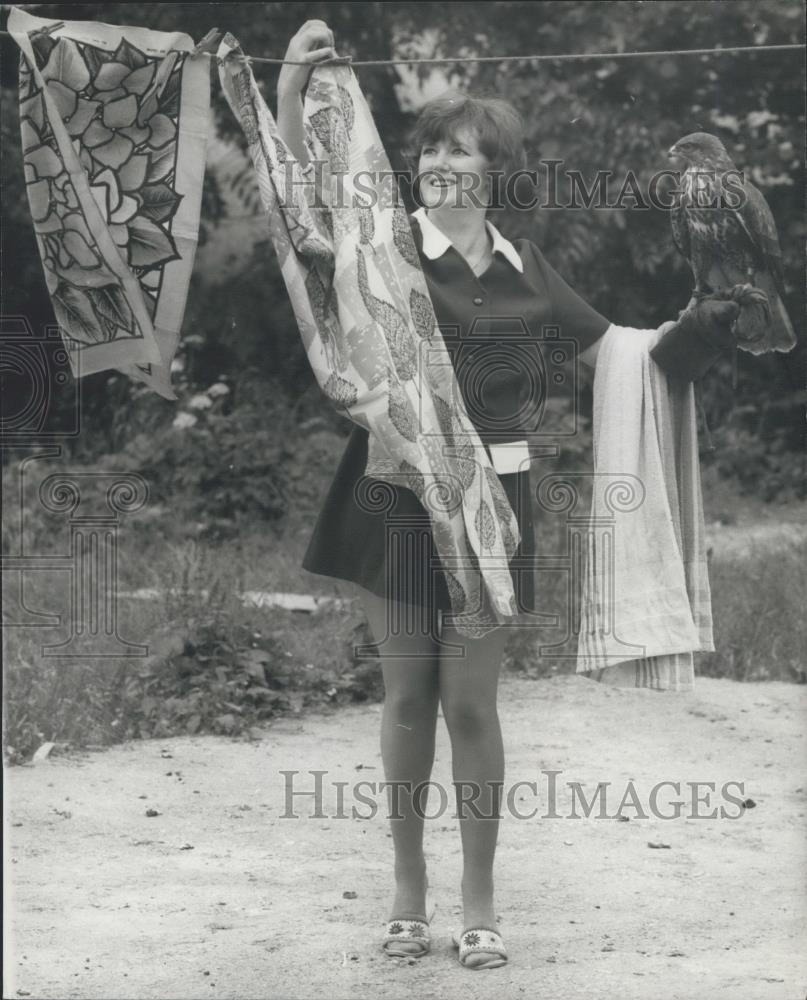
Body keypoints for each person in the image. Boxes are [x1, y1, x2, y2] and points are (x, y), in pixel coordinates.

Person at [275, 19, 734, 971]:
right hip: (394, 492)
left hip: (496, 502)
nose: (444, 162)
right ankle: (407, 898)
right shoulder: (382, 247)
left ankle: (479, 904)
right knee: (406, 698)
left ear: (497, 173)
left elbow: (623, 355)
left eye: (466, 152)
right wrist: (290, 89)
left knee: (473, 707)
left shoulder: (526, 269)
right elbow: (304, 205)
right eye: (433, 147)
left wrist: (712, 316)